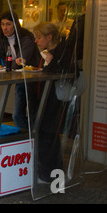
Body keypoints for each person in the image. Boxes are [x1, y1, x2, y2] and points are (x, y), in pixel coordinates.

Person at [0, 11, 40, 129]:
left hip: (34, 78)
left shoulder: (26, 36)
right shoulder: (1, 37)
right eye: (3, 24)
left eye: (8, 24)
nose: (5, 28)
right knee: (18, 115)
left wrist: (8, 67)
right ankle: (23, 140)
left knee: (34, 112)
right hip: (19, 78)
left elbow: (22, 60)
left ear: (15, 24)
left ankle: (33, 140)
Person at [30, 22, 70, 182]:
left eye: (38, 37)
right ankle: (51, 172)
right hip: (43, 99)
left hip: (53, 102)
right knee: (47, 136)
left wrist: (49, 63)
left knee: (48, 136)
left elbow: (59, 73)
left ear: (49, 37)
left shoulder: (60, 53)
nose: (36, 41)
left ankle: (48, 174)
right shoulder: (46, 52)